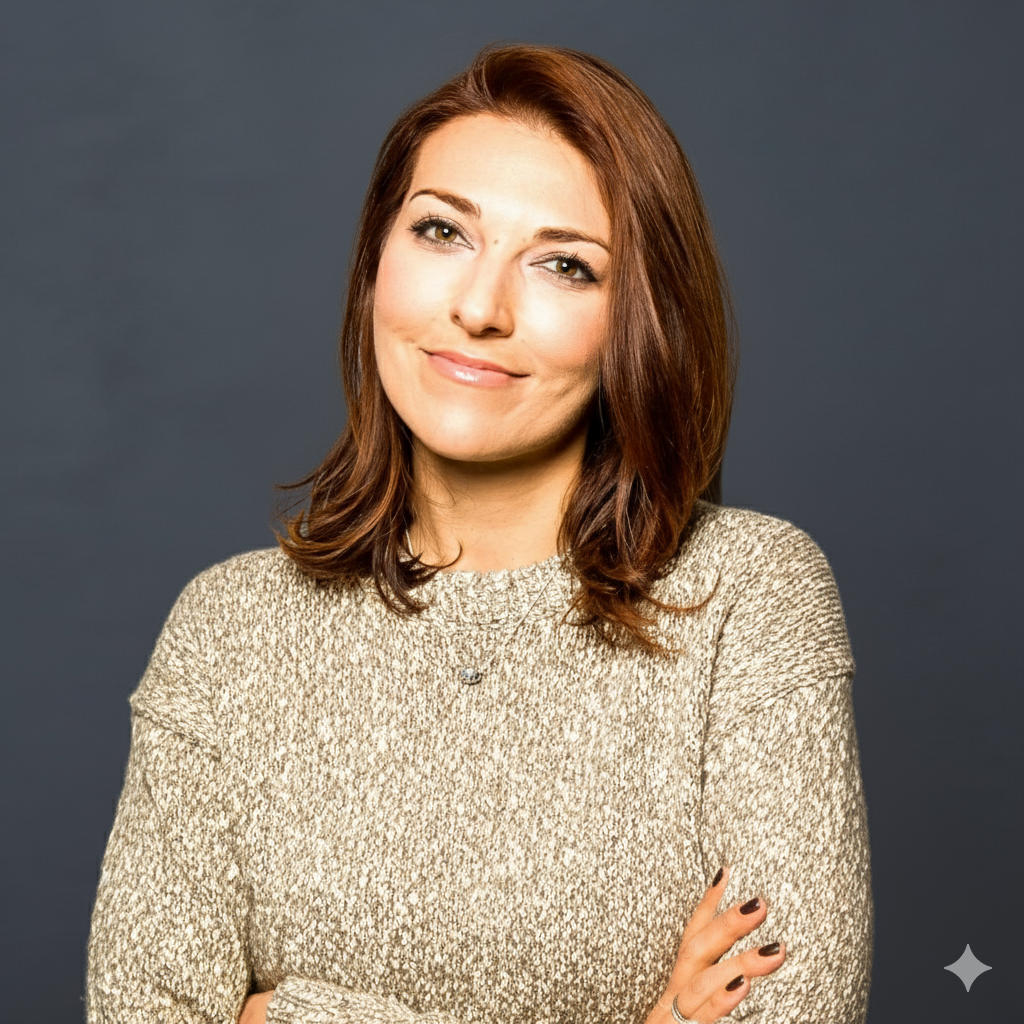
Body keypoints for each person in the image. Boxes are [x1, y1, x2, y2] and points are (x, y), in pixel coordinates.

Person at [85, 42, 873, 1024]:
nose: (478, 307)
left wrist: (293, 1014)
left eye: (563, 265)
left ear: (638, 317)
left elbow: (795, 1009)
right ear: (378, 256)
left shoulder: (746, 593)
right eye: (441, 231)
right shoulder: (226, 628)